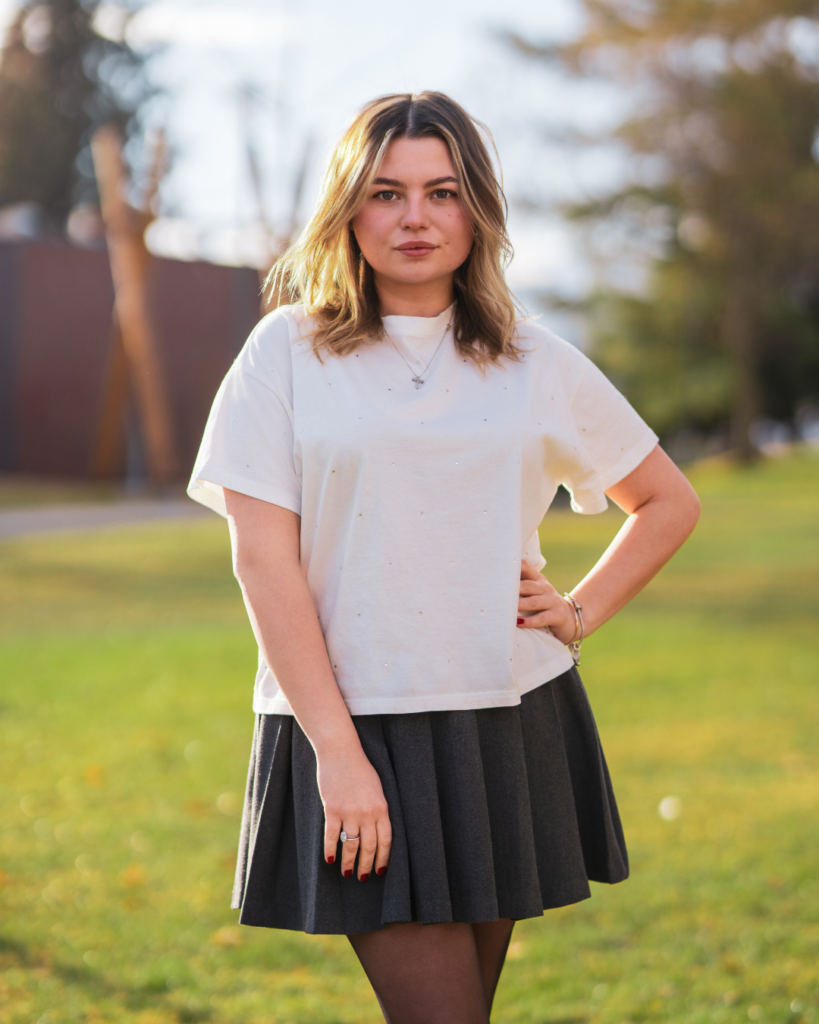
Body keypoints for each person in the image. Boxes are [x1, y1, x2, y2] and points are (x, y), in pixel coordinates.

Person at [188, 91, 700, 1024]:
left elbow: (667, 501)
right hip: (355, 728)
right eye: (386, 193)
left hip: (507, 720)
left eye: (442, 192)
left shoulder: (532, 359)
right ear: (349, 209)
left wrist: (576, 611)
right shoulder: (285, 352)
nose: (415, 218)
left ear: (478, 212)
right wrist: (337, 756)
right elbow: (262, 562)